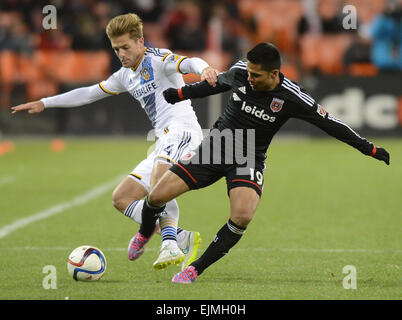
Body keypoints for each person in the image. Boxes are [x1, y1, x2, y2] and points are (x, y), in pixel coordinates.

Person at [130, 42, 390, 284]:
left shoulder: (293, 97)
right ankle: (144, 232)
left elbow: (331, 123)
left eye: (257, 75)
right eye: (249, 73)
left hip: (249, 157)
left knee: (242, 216)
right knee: (156, 196)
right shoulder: (242, 71)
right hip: (217, 145)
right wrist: (179, 93)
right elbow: (215, 84)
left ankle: (195, 268)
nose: (249, 78)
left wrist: (369, 148)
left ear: (274, 73)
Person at [10, 13, 220, 270]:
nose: (121, 53)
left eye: (126, 47)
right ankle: (179, 236)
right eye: (116, 48)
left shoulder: (158, 59)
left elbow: (188, 63)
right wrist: (45, 102)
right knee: (121, 197)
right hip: (163, 138)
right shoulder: (125, 75)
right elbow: (88, 93)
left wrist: (205, 69)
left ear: (140, 41)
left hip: (183, 131)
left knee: (158, 186)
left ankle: (169, 245)